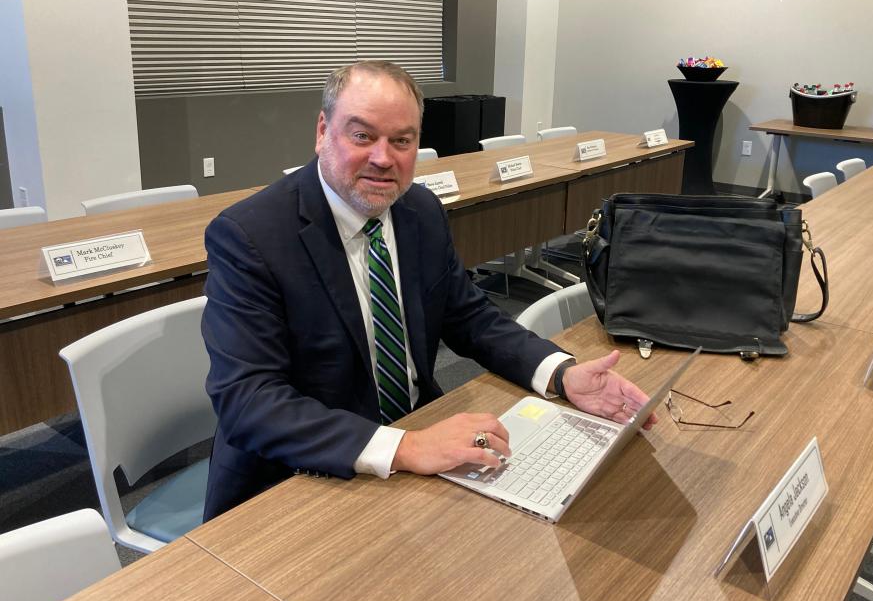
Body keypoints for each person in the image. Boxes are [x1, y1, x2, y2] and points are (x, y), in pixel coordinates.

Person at [201, 60, 654, 520]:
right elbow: (249, 401)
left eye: (402, 140)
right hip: (301, 475)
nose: (383, 158)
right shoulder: (249, 237)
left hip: (417, 439)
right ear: (322, 131)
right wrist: (406, 446)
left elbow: (470, 317)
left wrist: (561, 374)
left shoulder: (418, 208)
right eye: (362, 136)